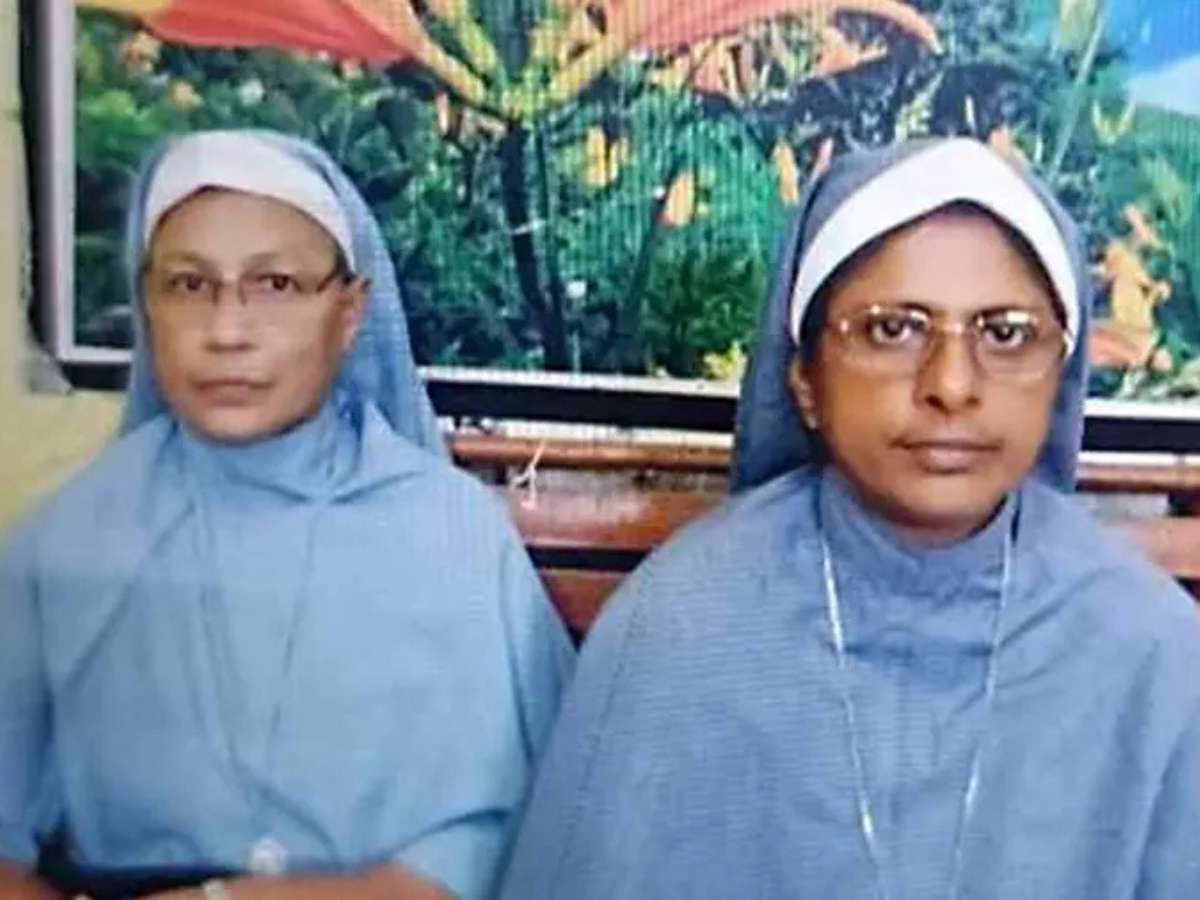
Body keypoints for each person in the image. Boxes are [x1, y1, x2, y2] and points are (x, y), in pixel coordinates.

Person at [500, 137, 1200, 899]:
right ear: (805, 380)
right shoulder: (681, 625)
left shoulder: (1151, 647)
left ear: (1058, 374)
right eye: (893, 328)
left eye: (1004, 333)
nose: (951, 385)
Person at [0, 130, 574, 900]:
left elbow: (493, 849)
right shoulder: (65, 544)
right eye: (189, 285)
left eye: (274, 284)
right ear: (146, 304)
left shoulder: (453, 538)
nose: (227, 332)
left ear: (349, 312)